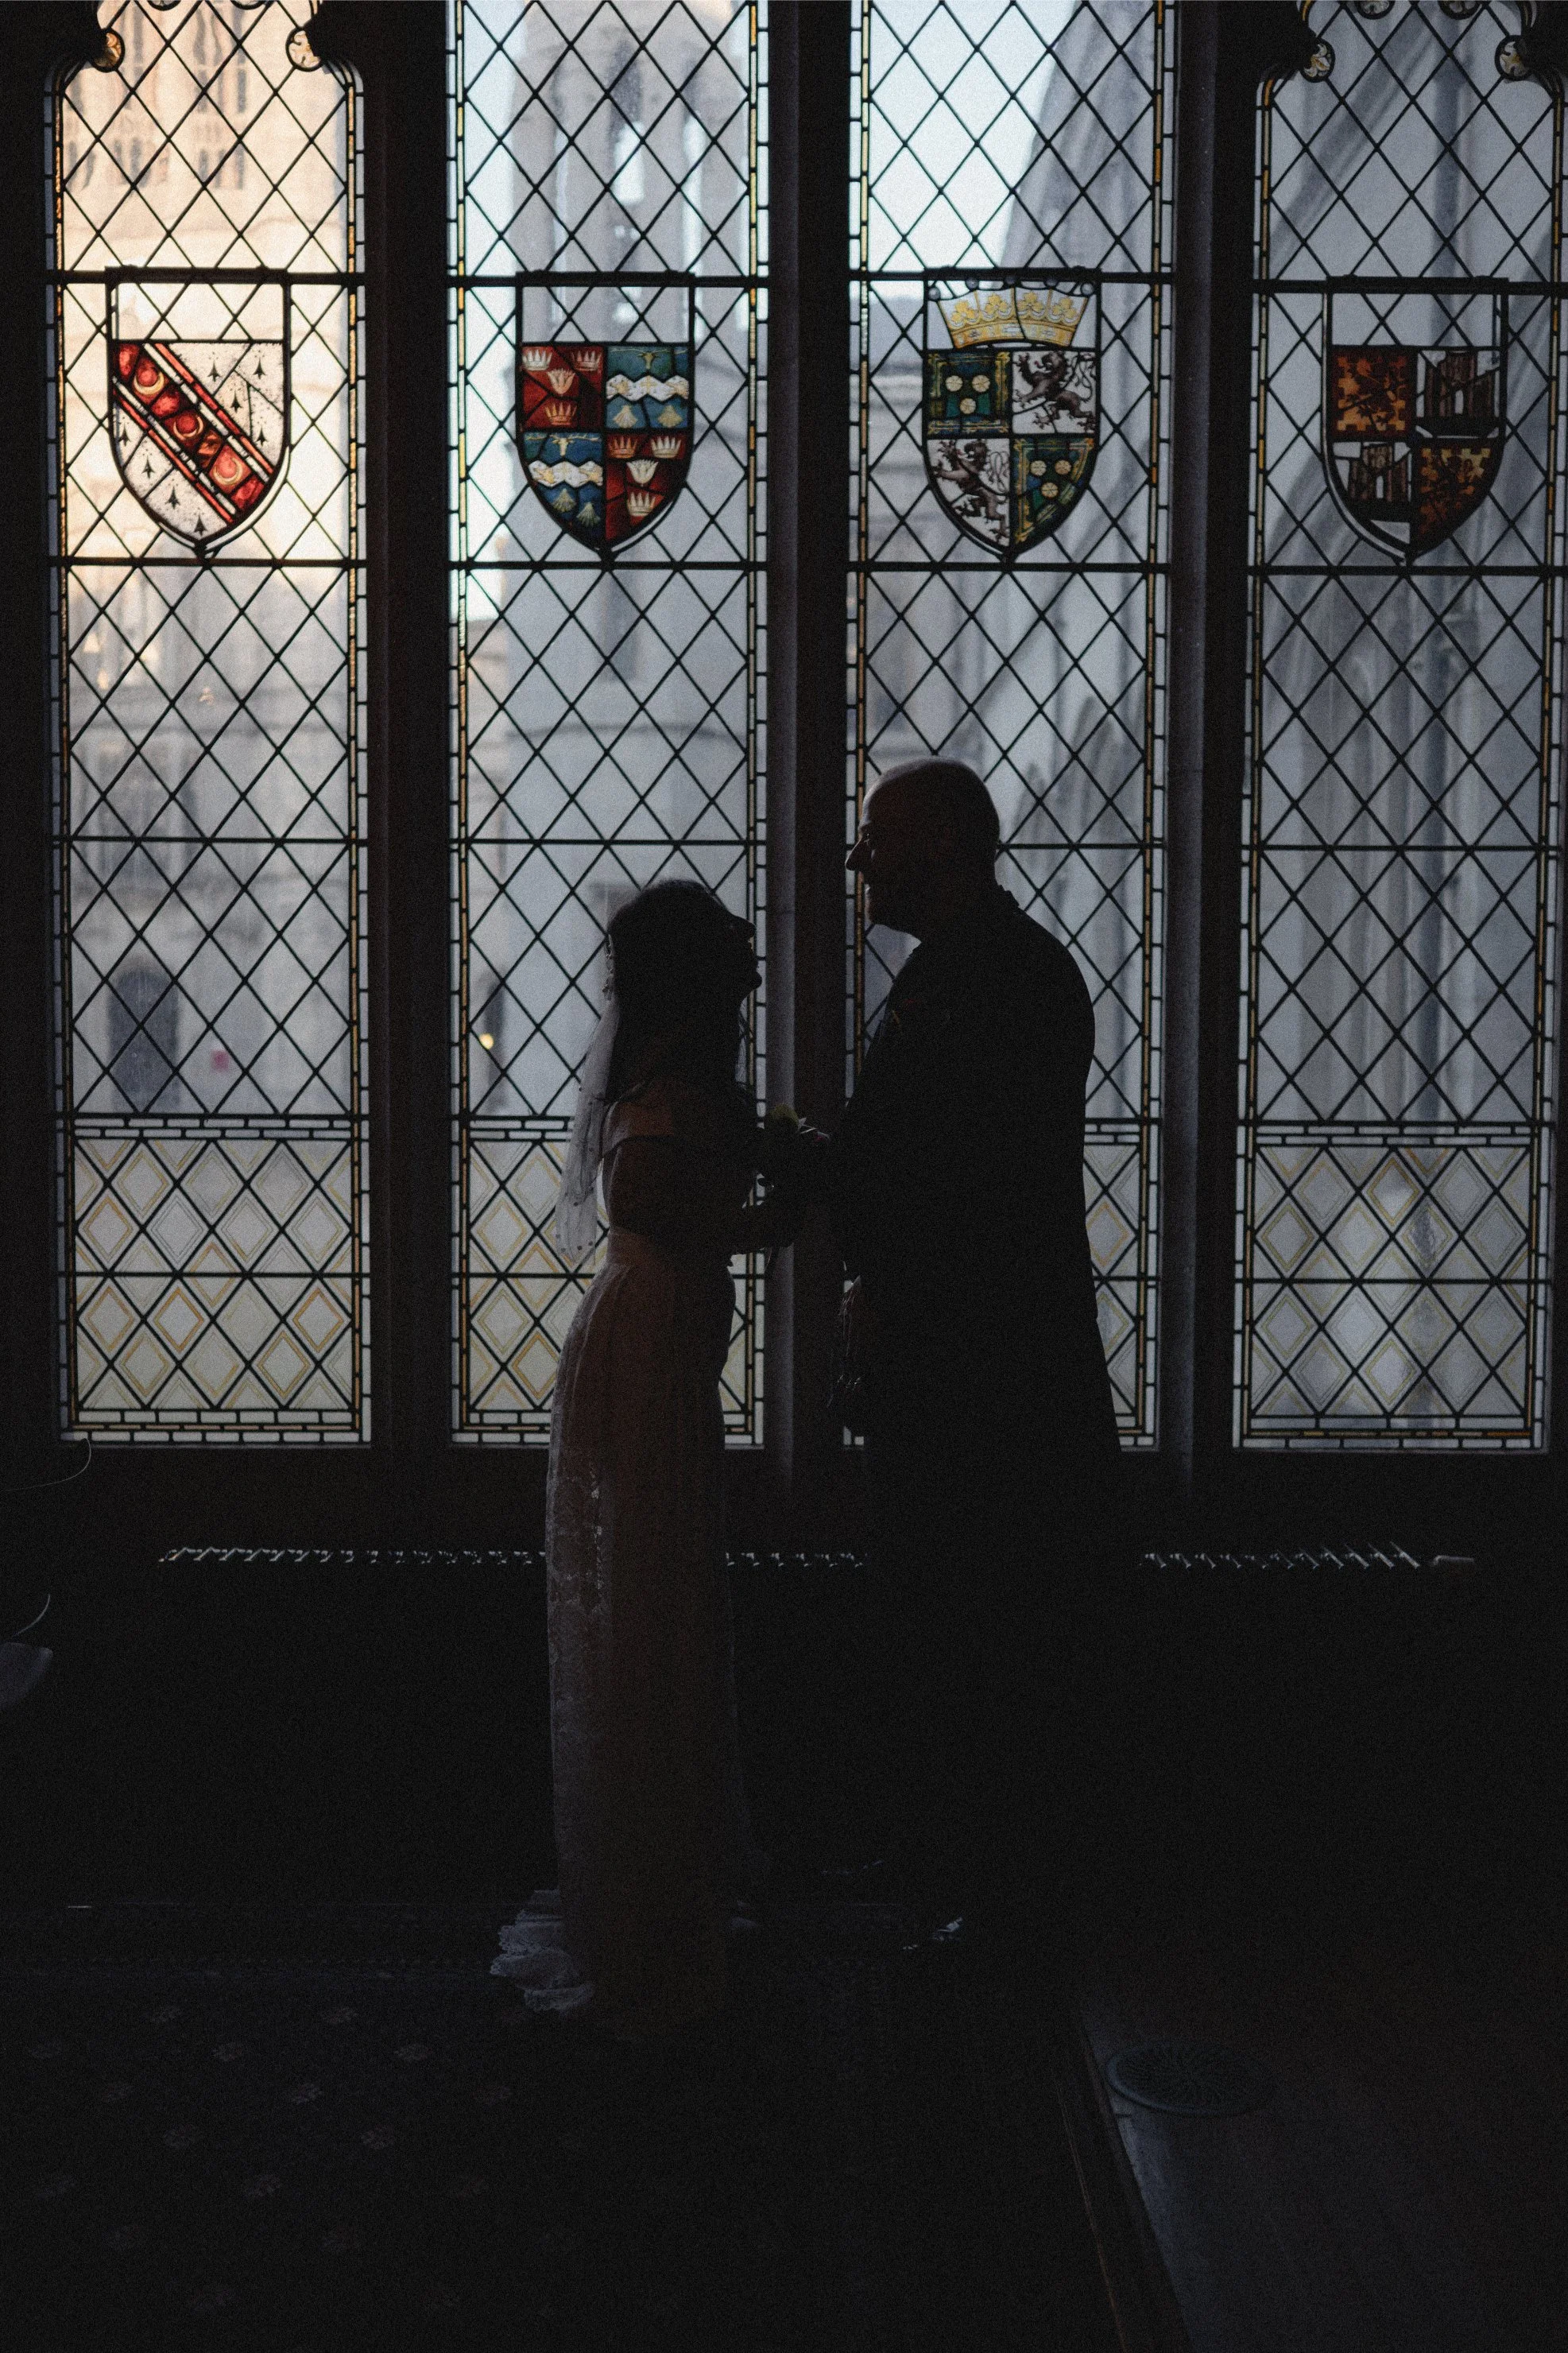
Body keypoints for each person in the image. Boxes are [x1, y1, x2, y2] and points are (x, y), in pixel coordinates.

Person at [494, 881, 803, 2041]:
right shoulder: (664, 1100)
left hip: (663, 1345)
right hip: (647, 1348)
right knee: (650, 1613)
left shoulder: (681, 1093)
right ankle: (643, 1911)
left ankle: (666, 1889)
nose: (751, 979)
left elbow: (699, 1217)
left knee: (662, 1609)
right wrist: (802, 1201)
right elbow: (674, 1214)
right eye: (735, 963)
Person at [829, 758, 1123, 1962]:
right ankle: (970, 1884)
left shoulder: (998, 982)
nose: (858, 864)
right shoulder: (983, 972)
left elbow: (962, 1183)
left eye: (877, 842)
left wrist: (829, 1181)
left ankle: (1002, 1906)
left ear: (948, 848)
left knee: (988, 1633)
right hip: (971, 1365)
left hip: (986, 1380)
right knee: (958, 1629)